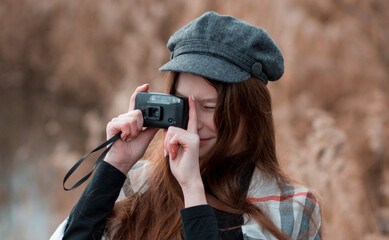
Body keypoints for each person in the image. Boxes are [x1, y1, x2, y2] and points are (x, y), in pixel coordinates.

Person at [51, 11, 321, 240]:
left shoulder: (292, 207)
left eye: (209, 107)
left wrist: (193, 190)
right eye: (182, 104)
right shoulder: (136, 184)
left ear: (250, 112)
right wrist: (114, 167)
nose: (193, 124)